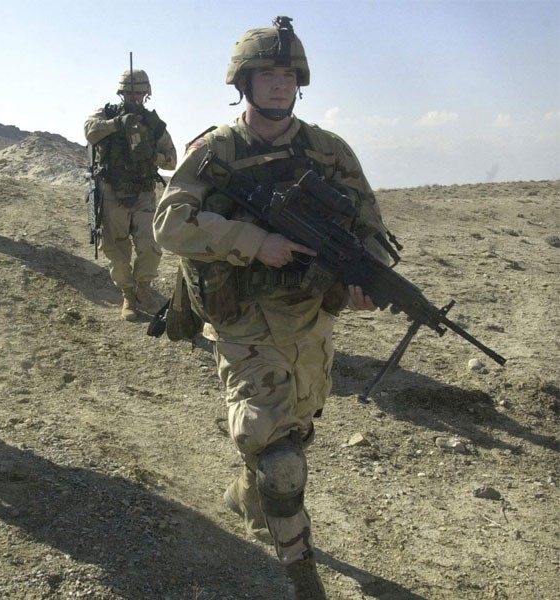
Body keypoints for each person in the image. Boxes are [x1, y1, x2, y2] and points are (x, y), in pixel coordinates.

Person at [153, 17, 396, 599]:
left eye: (288, 74)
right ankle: (303, 580)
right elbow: (169, 224)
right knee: (281, 453)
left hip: (311, 315)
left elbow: (371, 228)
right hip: (242, 319)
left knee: (299, 426)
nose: (280, 84)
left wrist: (368, 276)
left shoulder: (328, 150)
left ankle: (248, 488)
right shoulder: (215, 150)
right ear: (244, 82)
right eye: (268, 74)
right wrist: (252, 241)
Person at [84, 68, 177, 321]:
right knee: (117, 248)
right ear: (121, 92)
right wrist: (117, 124)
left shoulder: (154, 124)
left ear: (146, 94)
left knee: (150, 244)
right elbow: (90, 132)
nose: (134, 98)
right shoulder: (106, 114)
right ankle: (128, 295)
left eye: (139, 93)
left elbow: (172, 161)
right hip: (112, 191)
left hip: (143, 193)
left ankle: (144, 290)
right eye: (129, 92)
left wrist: (152, 156)